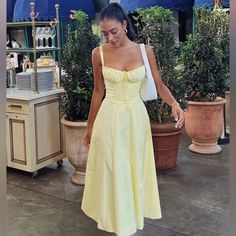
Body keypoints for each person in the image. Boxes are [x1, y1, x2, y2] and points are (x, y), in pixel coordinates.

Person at [81, 3, 184, 236]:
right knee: (113, 170)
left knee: (133, 169)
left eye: (113, 32)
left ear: (125, 25)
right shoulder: (99, 54)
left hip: (136, 120)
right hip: (110, 119)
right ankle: (117, 223)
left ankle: (130, 220)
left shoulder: (145, 51)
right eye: (104, 33)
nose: (109, 38)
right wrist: (90, 129)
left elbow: (159, 85)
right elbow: (98, 93)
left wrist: (175, 105)